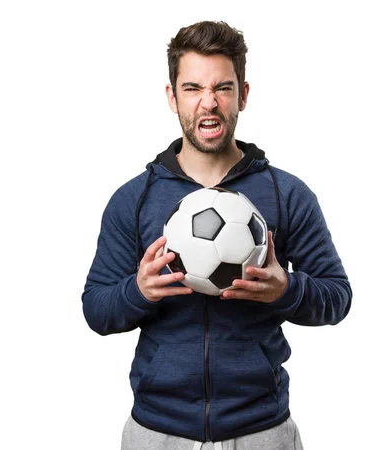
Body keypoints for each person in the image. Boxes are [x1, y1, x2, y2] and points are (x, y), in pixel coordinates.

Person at [82, 20, 352, 450]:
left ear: (243, 94)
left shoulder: (287, 194)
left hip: (263, 431)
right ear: (172, 97)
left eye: (222, 88)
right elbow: (96, 309)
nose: (208, 103)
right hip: (157, 432)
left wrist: (287, 289)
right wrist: (139, 291)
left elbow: (337, 296)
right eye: (192, 88)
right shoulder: (133, 199)